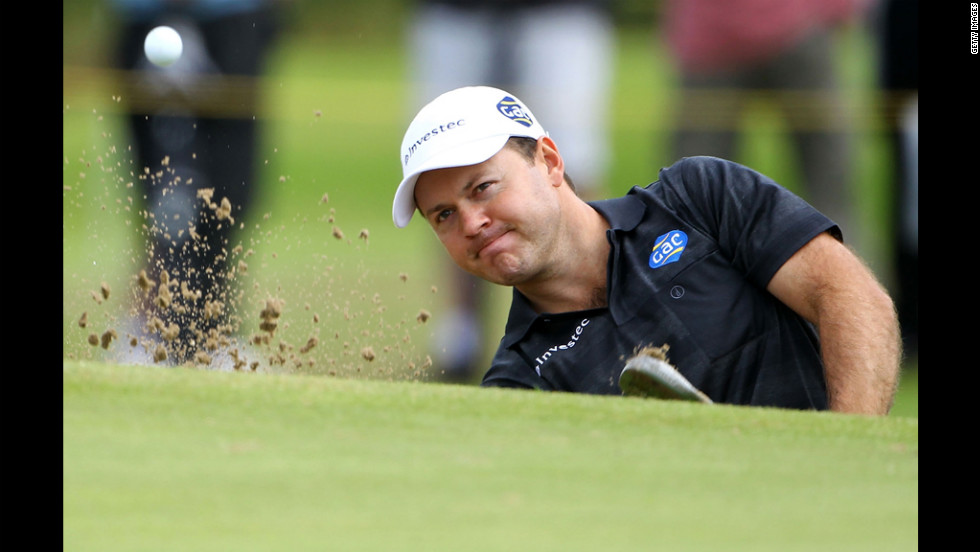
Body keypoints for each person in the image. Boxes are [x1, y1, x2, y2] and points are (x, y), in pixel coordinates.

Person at [392, 86, 902, 415]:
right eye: (444, 215)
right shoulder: (520, 384)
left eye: (483, 188)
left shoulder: (700, 196)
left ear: (549, 162)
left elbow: (850, 297)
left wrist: (841, 451)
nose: (472, 223)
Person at [405, 0, 615, 382]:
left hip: (561, 12)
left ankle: (600, 317)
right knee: (442, 177)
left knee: (573, 167)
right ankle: (460, 334)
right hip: (455, 13)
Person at [110, 0, 283, 366]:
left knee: (230, 197)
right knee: (168, 197)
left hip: (234, 17)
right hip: (152, 14)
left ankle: (211, 336)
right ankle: (153, 333)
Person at [661, 0, 873, 255]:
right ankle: (688, 286)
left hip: (791, 29)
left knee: (831, 190)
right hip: (715, 39)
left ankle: (845, 287)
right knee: (692, 194)